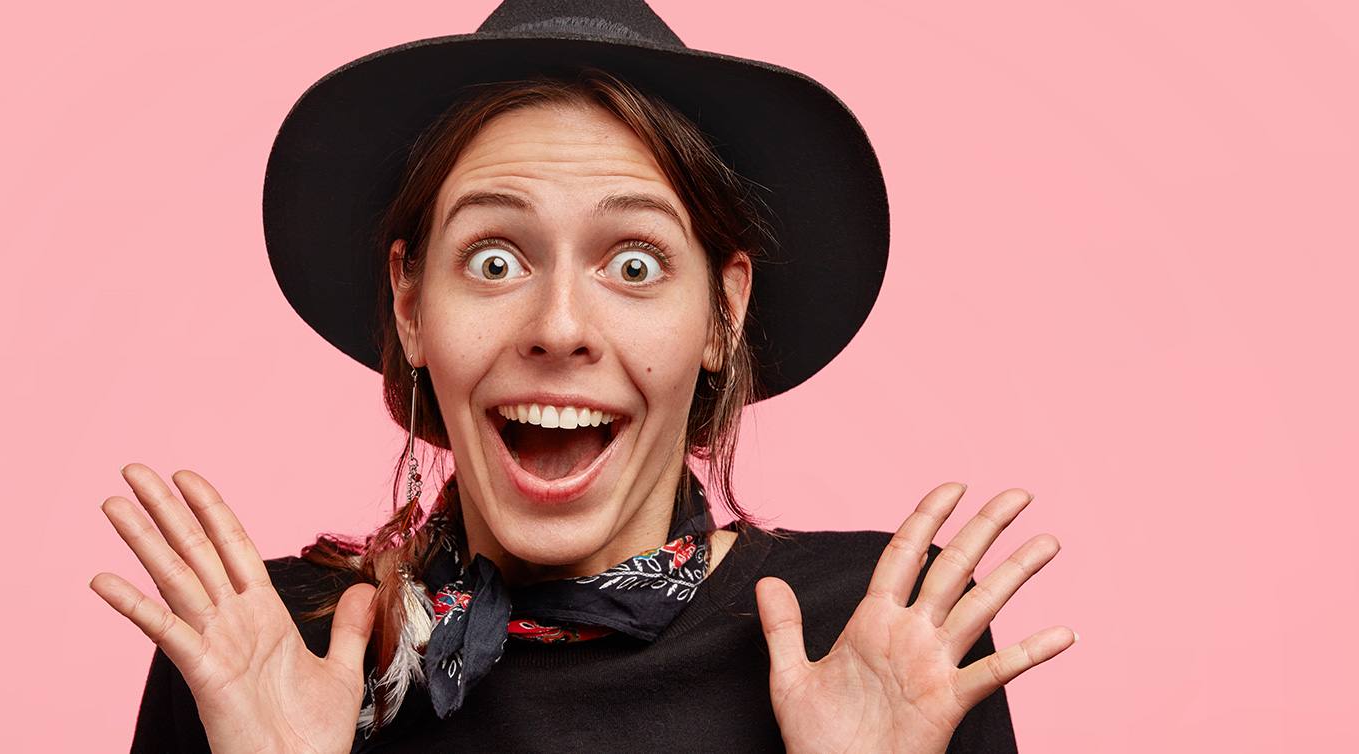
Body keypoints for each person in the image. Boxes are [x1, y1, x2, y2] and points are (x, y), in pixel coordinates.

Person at [89, 1, 1076, 751]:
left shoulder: (883, 631)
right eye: (494, 260)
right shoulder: (259, 644)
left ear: (722, 313)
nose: (559, 327)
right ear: (411, 302)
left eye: (634, 265)